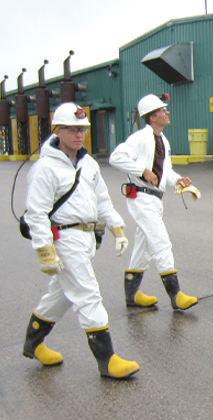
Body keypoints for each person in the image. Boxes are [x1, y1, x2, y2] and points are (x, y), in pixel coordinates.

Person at [23, 102, 139, 379]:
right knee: (88, 294)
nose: (79, 135)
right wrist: (44, 250)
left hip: (87, 237)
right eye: (73, 129)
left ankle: (33, 343)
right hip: (63, 237)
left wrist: (117, 228)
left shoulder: (87, 163)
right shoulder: (44, 168)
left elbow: (102, 199)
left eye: (83, 129)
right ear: (58, 131)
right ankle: (107, 360)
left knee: (60, 295)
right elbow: (36, 213)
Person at [109, 94, 201, 312]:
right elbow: (116, 157)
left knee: (143, 247)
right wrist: (141, 171)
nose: (167, 113)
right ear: (152, 117)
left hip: (154, 198)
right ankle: (176, 295)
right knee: (160, 242)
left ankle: (132, 294)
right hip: (141, 197)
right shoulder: (140, 138)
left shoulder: (163, 140)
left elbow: (165, 171)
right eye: (163, 111)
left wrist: (179, 181)